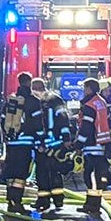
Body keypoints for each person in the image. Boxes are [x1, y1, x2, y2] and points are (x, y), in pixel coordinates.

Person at [0, 73, 44, 214]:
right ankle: (17, 202)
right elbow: (38, 123)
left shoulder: (11, 100)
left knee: (11, 172)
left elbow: (3, 119)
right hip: (25, 143)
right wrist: (40, 141)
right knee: (21, 174)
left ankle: (10, 202)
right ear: (29, 83)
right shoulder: (33, 101)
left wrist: (7, 137)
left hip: (11, 142)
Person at [29, 78, 70, 212]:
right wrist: (65, 138)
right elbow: (64, 118)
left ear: (36, 89)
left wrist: (65, 138)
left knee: (44, 173)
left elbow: (61, 119)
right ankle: (56, 200)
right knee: (51, 172)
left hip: (48, 144)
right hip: (53, 142)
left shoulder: (41, 102)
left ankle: (45, 201)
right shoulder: (55, 99)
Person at [77, 77, 111, 216]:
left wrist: (78, 144)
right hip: (101, 143)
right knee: (97, 176)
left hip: (92, 144)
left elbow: (86, 127)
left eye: (84, 88)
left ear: (89, 89)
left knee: (89, 176)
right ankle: (94, 204)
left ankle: (91, 204)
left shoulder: (89, 105)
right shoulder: (101, 102)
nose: (83, 91)